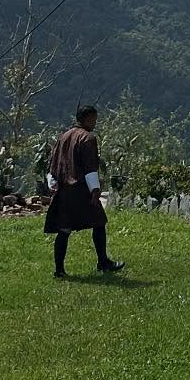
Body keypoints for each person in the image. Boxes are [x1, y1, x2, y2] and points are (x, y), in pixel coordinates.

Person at [44, 105, 123, 278]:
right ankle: (103, 262)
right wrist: (95, 189)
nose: (95, 122)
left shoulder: (63, 137)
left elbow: (53, 163)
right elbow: (90, 167)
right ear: (86, 119)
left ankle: (59, 270)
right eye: (93, 118)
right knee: (99, 222)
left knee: (64, 230)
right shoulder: (88, 138)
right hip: (80, 190)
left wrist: (53, 182)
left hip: (63, 190)